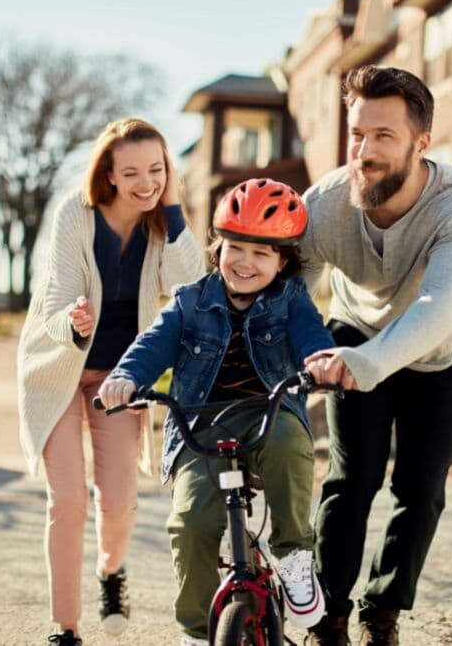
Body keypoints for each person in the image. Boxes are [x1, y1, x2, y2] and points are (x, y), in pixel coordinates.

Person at [299, 66, 452, 646]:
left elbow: (441, 304)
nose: (365, 151)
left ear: (420, 143)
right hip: (354, 335)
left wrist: (367, 365)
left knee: (419, 489)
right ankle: (328, 615)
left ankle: (382, 612)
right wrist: (307, 353)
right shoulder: (325, 205)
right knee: (350, 480)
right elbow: (292, 292)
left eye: (384, 136)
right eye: (358, 134)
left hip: (440, 353)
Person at [97, 178, 336, 646]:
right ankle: (197, 631)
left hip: (268, 413)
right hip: (200, 425)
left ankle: (293, 555)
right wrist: (124, 378)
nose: (245, 263)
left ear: (283, 261)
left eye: (262, 254)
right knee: (190, 524)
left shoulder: (291, 300)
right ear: (217, 246)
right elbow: (150, 347)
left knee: (290, 445)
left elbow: (311, 337)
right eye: (236, 248)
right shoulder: (189, 301)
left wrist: (322, 362)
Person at [16, 118, 205, 646]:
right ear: (109, 174)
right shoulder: (74, 215)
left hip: (119, 378)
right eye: (132, 173)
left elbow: (191, 285)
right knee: (68, 499)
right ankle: (65, 626)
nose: (145, 182)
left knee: (120, 499)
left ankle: (111, 570)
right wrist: (70, 321)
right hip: (57, 368)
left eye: (156, 170)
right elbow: (56, 297)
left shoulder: (159, 221)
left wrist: (173, 212)